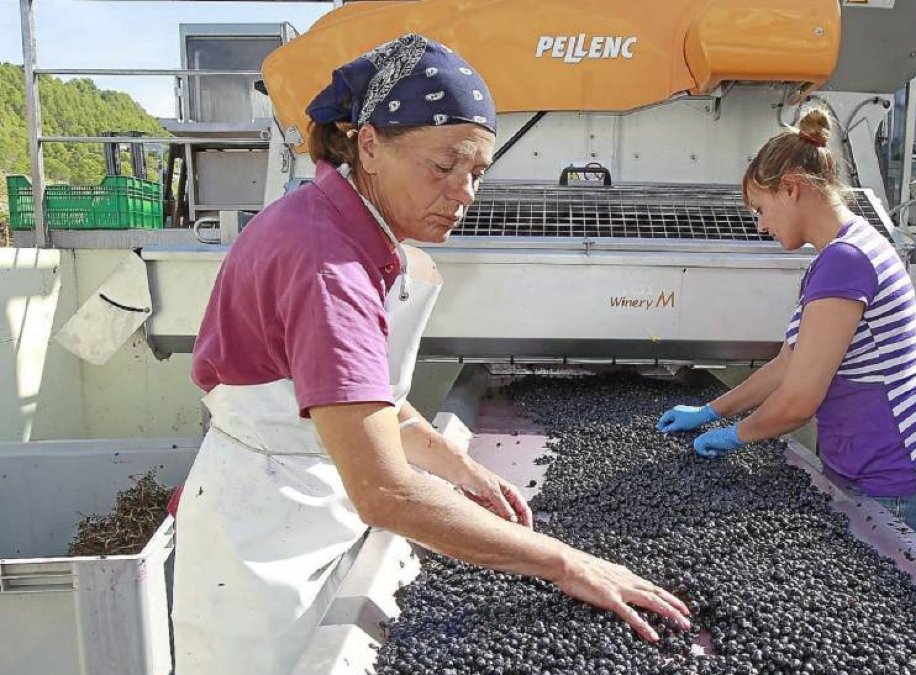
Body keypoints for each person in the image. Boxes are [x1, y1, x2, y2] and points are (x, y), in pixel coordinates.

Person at [172, 33, 688, 675]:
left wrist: (461, 469)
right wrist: (565, 562)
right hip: (263, 546)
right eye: (443, 168)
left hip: (301, 495)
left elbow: (371, 401)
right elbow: (386, 491)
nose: (463, 192)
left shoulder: (344, 229)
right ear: (368, 145)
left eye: (476, 172)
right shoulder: (326, 265)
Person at [656, 107, 916, 550]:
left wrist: (736, 436)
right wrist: (711, 411)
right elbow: (788, 365)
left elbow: (800, 400)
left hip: (899, 483)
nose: (761, 225)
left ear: (791, 188)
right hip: (868, 471)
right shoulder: (842, 252)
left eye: (761, 209)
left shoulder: (846, 261)